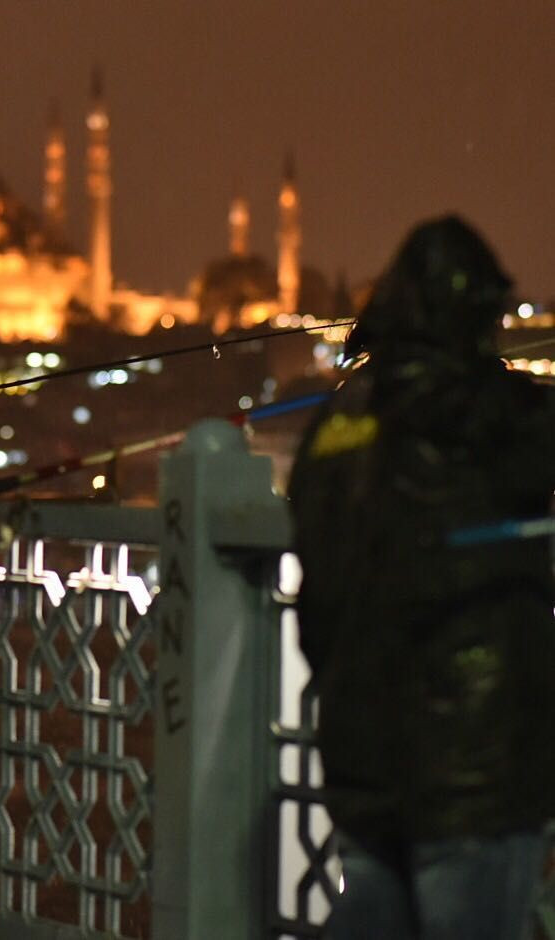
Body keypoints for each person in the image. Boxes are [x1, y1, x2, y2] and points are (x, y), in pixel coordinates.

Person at [289, 216, 555, 940]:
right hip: (478, 772)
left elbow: (319, 597)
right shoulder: (490, 411)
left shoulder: (333, 427)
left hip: (362, 760)